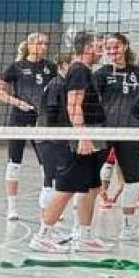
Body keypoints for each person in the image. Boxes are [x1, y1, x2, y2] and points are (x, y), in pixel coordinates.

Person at [29, 27, 109, 257]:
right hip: (82, 137)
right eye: (98, 46)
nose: (101, 51)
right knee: (67, 187)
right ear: (87, 47)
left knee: (92, 186)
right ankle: (42, 236)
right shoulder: (79, 70)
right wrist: (82, 136)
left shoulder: (84, 70)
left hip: (94, 134)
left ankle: (84, 235)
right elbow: (73, 105)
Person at [0, 31, 54, 222]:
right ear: (30, 45)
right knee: (14, 162)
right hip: (19, 118)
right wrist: (18, 103)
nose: (44, 47)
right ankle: (12, 208)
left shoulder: (51, 67)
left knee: (46, 162)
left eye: (46, 44)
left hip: (41, 119)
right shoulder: (17, 66)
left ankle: (49, 206)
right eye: (40, 43)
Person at [94, 33, 139, 242]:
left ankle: (127, 228)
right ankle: (82, 229)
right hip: (105, 132)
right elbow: (91, 103)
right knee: (88, 178)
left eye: (115, 47)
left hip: (129, 133)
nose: (112, 51)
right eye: (108, 48)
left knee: (134, 180)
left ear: (125, 46)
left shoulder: (138, 73)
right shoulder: (101, 74)